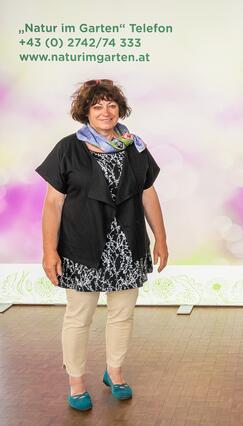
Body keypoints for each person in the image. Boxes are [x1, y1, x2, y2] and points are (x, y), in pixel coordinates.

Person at [37, 79, 168, 411]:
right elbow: (53, 204)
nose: (105, 112)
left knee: (122, 315)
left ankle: (115, 373)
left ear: (119, 109)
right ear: (86, 112)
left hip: (127, 247)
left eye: (111, 105)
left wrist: (161, 238)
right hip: (81, 247)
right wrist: (49, 250)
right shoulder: (68, 148)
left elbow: (147, 193)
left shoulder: (135, 146)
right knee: (79, 317)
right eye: (97, 106)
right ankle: (77, 382)